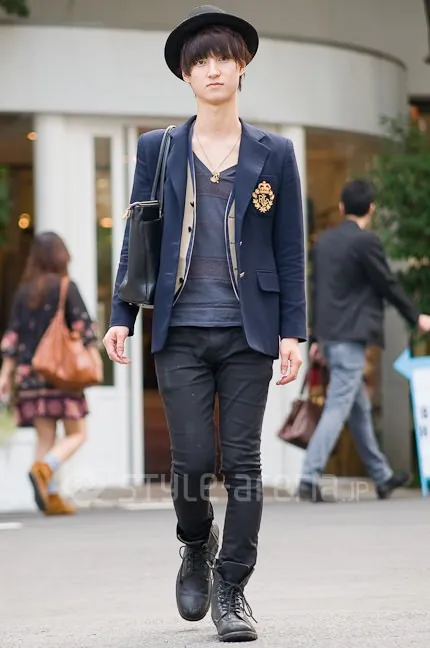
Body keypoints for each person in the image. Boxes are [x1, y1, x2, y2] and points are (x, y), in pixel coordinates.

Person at [104, 5, 306, 642]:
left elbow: (290, 248)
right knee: (190, 462)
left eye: (224, 58)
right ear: (186, 76)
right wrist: (120, 316)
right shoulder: (157, 148)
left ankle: (233, 588)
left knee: (244, 462)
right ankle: (195, 543)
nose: (214, 69)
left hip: (250, 331)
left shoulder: (276, 152)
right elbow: (138, 236)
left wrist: (293, 332)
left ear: (243, 66)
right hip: (181, 331)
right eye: (201, 62)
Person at [299, 179, 430, 503]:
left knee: (357, 407)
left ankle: (382, 477)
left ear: (341, 207)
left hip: (330, 336)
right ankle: (308, 476)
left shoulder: (324, 243)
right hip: (350, 337)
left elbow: (315, 291)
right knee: (338, 406)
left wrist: (315, 337)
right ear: (371, 209)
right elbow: (386, 282)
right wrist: (416, 316)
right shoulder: (366, 242)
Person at [0, 232, 101, 516]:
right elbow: (84, 329)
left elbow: (13, 337)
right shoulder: (67, 287)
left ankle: (51, 497)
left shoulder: (24, 292)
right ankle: (45, 468)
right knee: (77, 434)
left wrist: (5, 374)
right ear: (60, 256)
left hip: (30, 377)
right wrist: (95, 359)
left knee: (46, 439)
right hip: (61, 375)